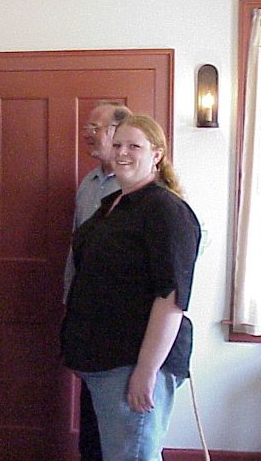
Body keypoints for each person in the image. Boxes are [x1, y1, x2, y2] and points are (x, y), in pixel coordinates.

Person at [60, 114, 201, 461]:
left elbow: (171, 299)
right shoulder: (114, 204)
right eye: (118, 144)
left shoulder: (166, 210)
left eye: (134, 146)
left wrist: (146, 371)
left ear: (156, 155)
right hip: (104, 362)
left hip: (132, 362)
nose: (122, 152)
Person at [62, 101, 132, 461]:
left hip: (122, 324)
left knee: (122, 426)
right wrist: (69, 300)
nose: (87, 133)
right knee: (90, 416)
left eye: (95, 127)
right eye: (87, 126)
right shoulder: (87, 185)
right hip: (86, 317)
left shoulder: (138, 187)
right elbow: (75, 249)